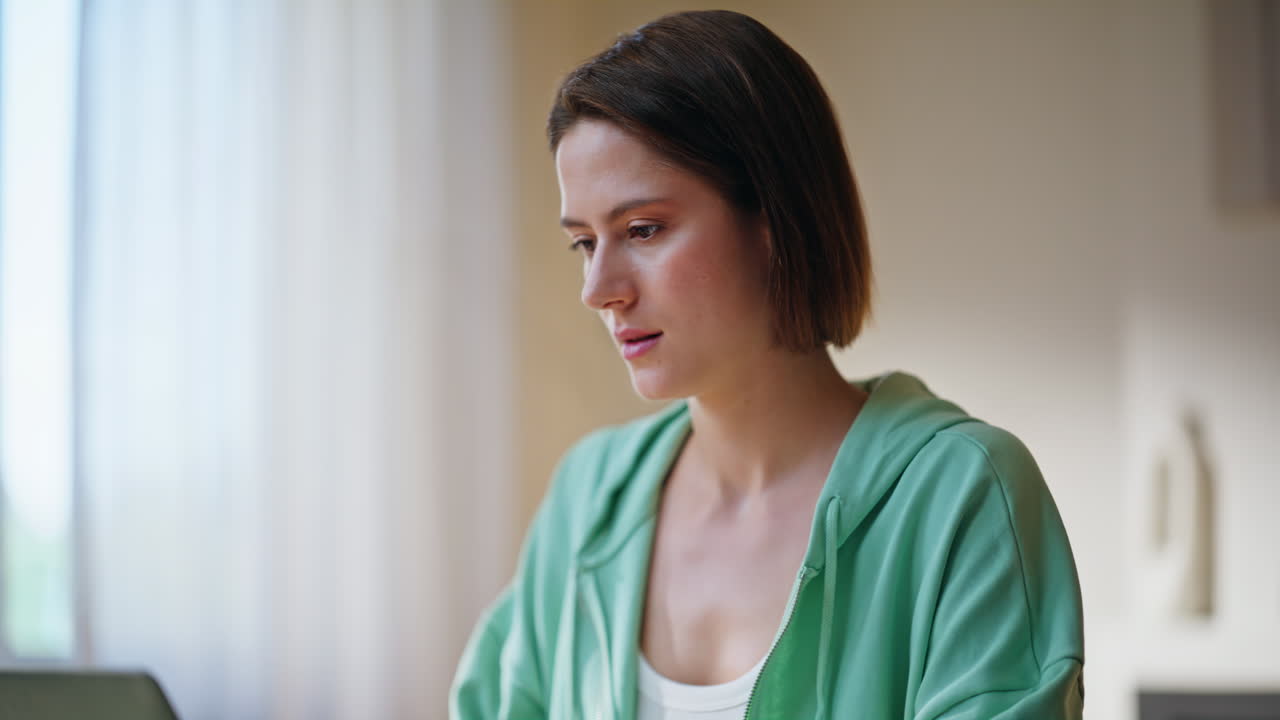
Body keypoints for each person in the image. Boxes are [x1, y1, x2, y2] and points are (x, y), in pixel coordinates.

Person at [451, 10, 1084, 720]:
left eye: (642, 230)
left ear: (775, 223)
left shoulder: (962, 498)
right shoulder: (587, 500)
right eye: (583, 243)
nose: (599, 290)